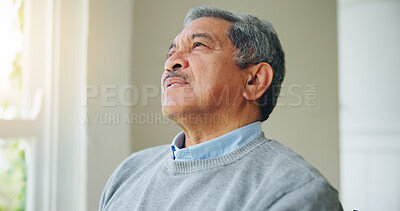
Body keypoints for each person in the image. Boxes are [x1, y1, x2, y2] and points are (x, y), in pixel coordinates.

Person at [99, 6, 342, 210]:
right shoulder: (129, 170)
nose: (171, 62)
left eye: (199, 45)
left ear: (253, 81)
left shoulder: (295, 192)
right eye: (171, 51)